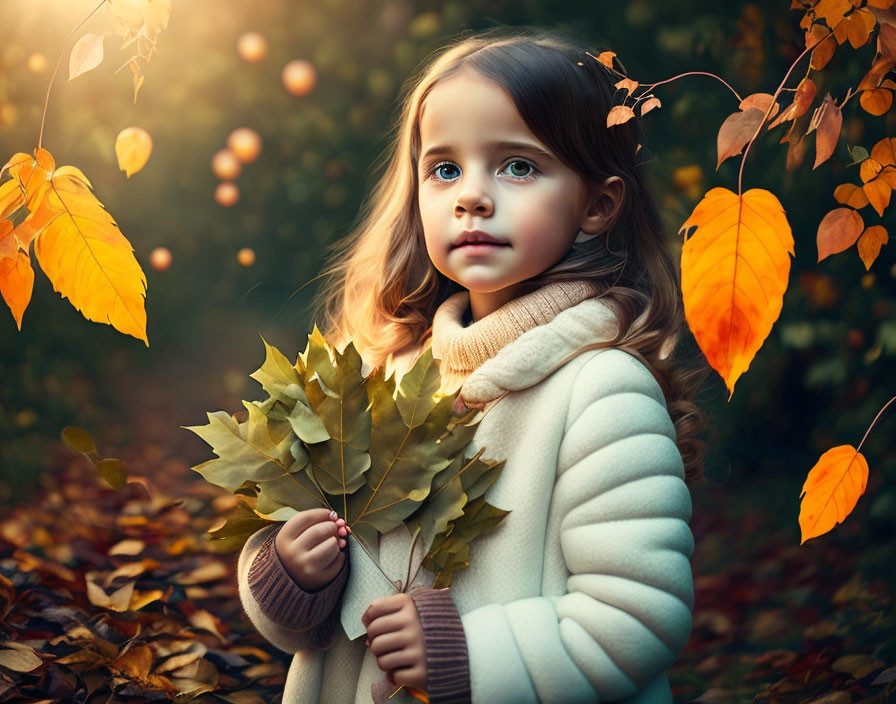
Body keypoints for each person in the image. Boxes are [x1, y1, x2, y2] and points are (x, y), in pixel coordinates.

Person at [237, 25, 710, 704]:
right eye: (445, 168)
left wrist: (467, 653)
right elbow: (315, 627)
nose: (472, 196)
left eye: (518, 166)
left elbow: (638, 617)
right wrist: (293, 575)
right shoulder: (382, 370)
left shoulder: (603, 390)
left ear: (598, 205)